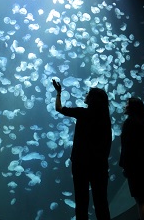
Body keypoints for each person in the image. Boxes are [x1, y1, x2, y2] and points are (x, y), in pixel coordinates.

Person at [52, 79, 112, 220]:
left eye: (87, 94)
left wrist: (58, 93)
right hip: (100, 166)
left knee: (81, 202)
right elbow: (107, 142)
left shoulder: (82, 113)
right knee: (101, 203)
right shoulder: (105, 119)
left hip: (81, 165)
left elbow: (59, 109)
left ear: (92, 99)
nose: (85, 95)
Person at [119, 97, 144, 220]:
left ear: (132, 108)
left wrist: (124, 166)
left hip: (134, 166)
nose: (125, 106)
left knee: (141, 202)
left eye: (127, 104)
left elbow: (127, 147)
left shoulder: (129, 123)